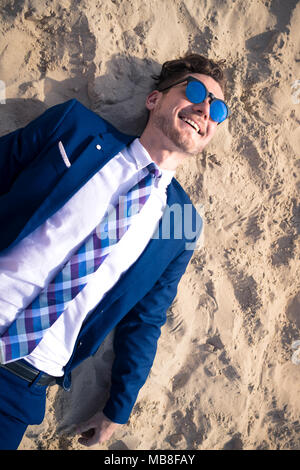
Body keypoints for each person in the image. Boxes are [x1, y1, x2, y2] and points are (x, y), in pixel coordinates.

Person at [0, 53, 229, 449]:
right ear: (154, 100)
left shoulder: (182, 222)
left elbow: (146, 318)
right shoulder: (75, 127)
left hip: (23, 385)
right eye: (194, 91)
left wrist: (117, 409)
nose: (204, 108)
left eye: (217, 108)